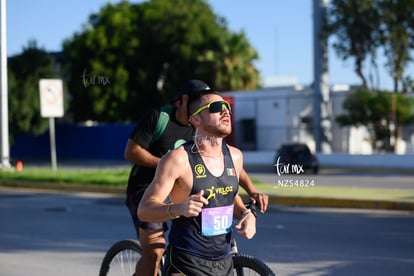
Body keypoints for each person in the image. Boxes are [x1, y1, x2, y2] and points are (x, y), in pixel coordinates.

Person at [125, 79, 268, 276]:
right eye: (217, 107)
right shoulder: (177, 160)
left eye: (227, 106)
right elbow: (144, 210)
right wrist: (178, 208)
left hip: (223, 264)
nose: (225, 111)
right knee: (154, 250)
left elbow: (223, 196)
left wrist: (246, 214)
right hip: (186, 264)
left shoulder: (235, 157)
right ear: (196, 119)